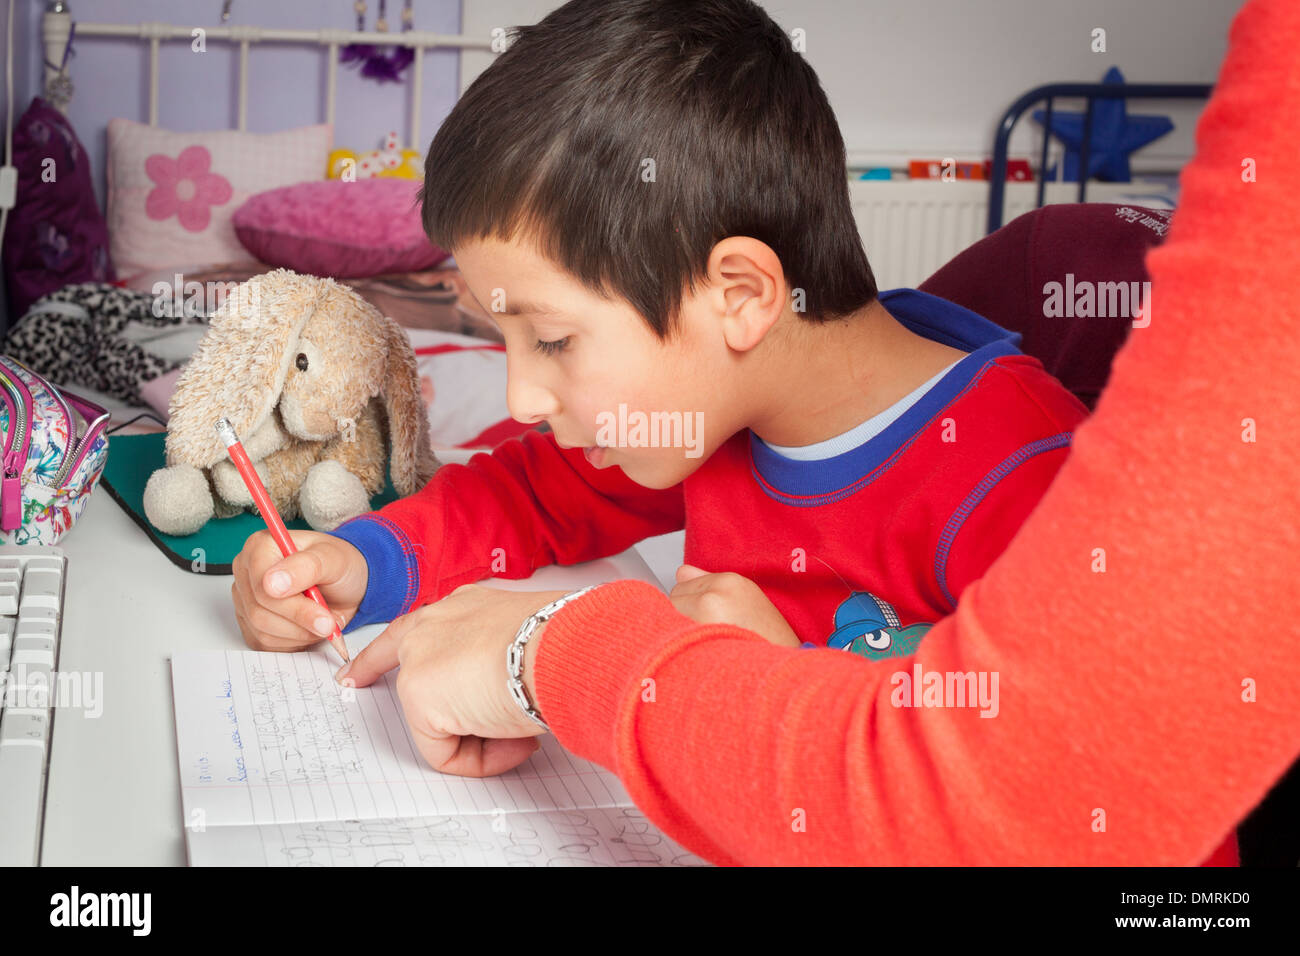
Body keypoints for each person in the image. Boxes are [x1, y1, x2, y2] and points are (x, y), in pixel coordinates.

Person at [236, 0, 1299, 864]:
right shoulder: (713, 413)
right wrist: (365, 559)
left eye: (554, 339)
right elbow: (535, 492)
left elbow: (1135, 836)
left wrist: (786, 672)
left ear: (741, 294)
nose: (520, 396)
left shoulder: (1018, 479)